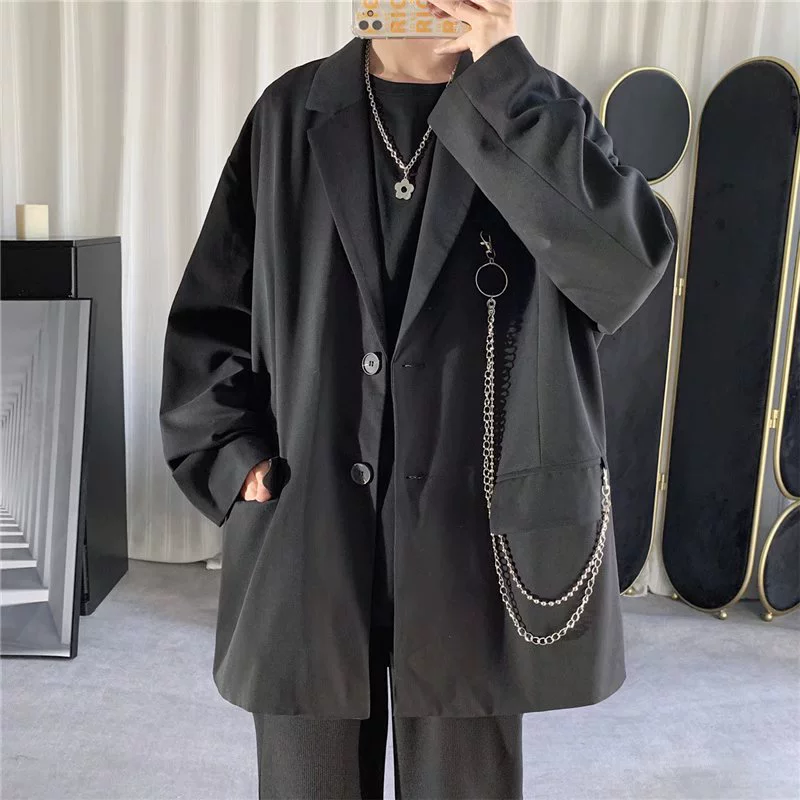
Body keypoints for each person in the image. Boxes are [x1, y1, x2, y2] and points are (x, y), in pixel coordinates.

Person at [159, 0, 675, 797]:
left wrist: (507, 86)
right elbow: (212, 310)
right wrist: (232, 454)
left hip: (472, 537)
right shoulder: (290, 115)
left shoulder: (538, 112)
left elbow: (624, 269)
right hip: (310, 518)